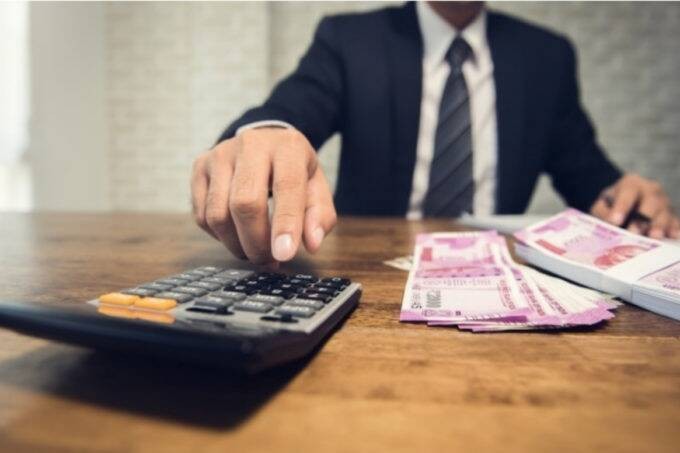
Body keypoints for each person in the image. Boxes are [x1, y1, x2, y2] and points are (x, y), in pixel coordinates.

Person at [191, 1, 679, 264]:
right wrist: (266, 134)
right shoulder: (350, 39)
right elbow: (291, 110)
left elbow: (585, 172)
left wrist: (626, 199)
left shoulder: (546, 55)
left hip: (502, 272)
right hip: (369, 275)